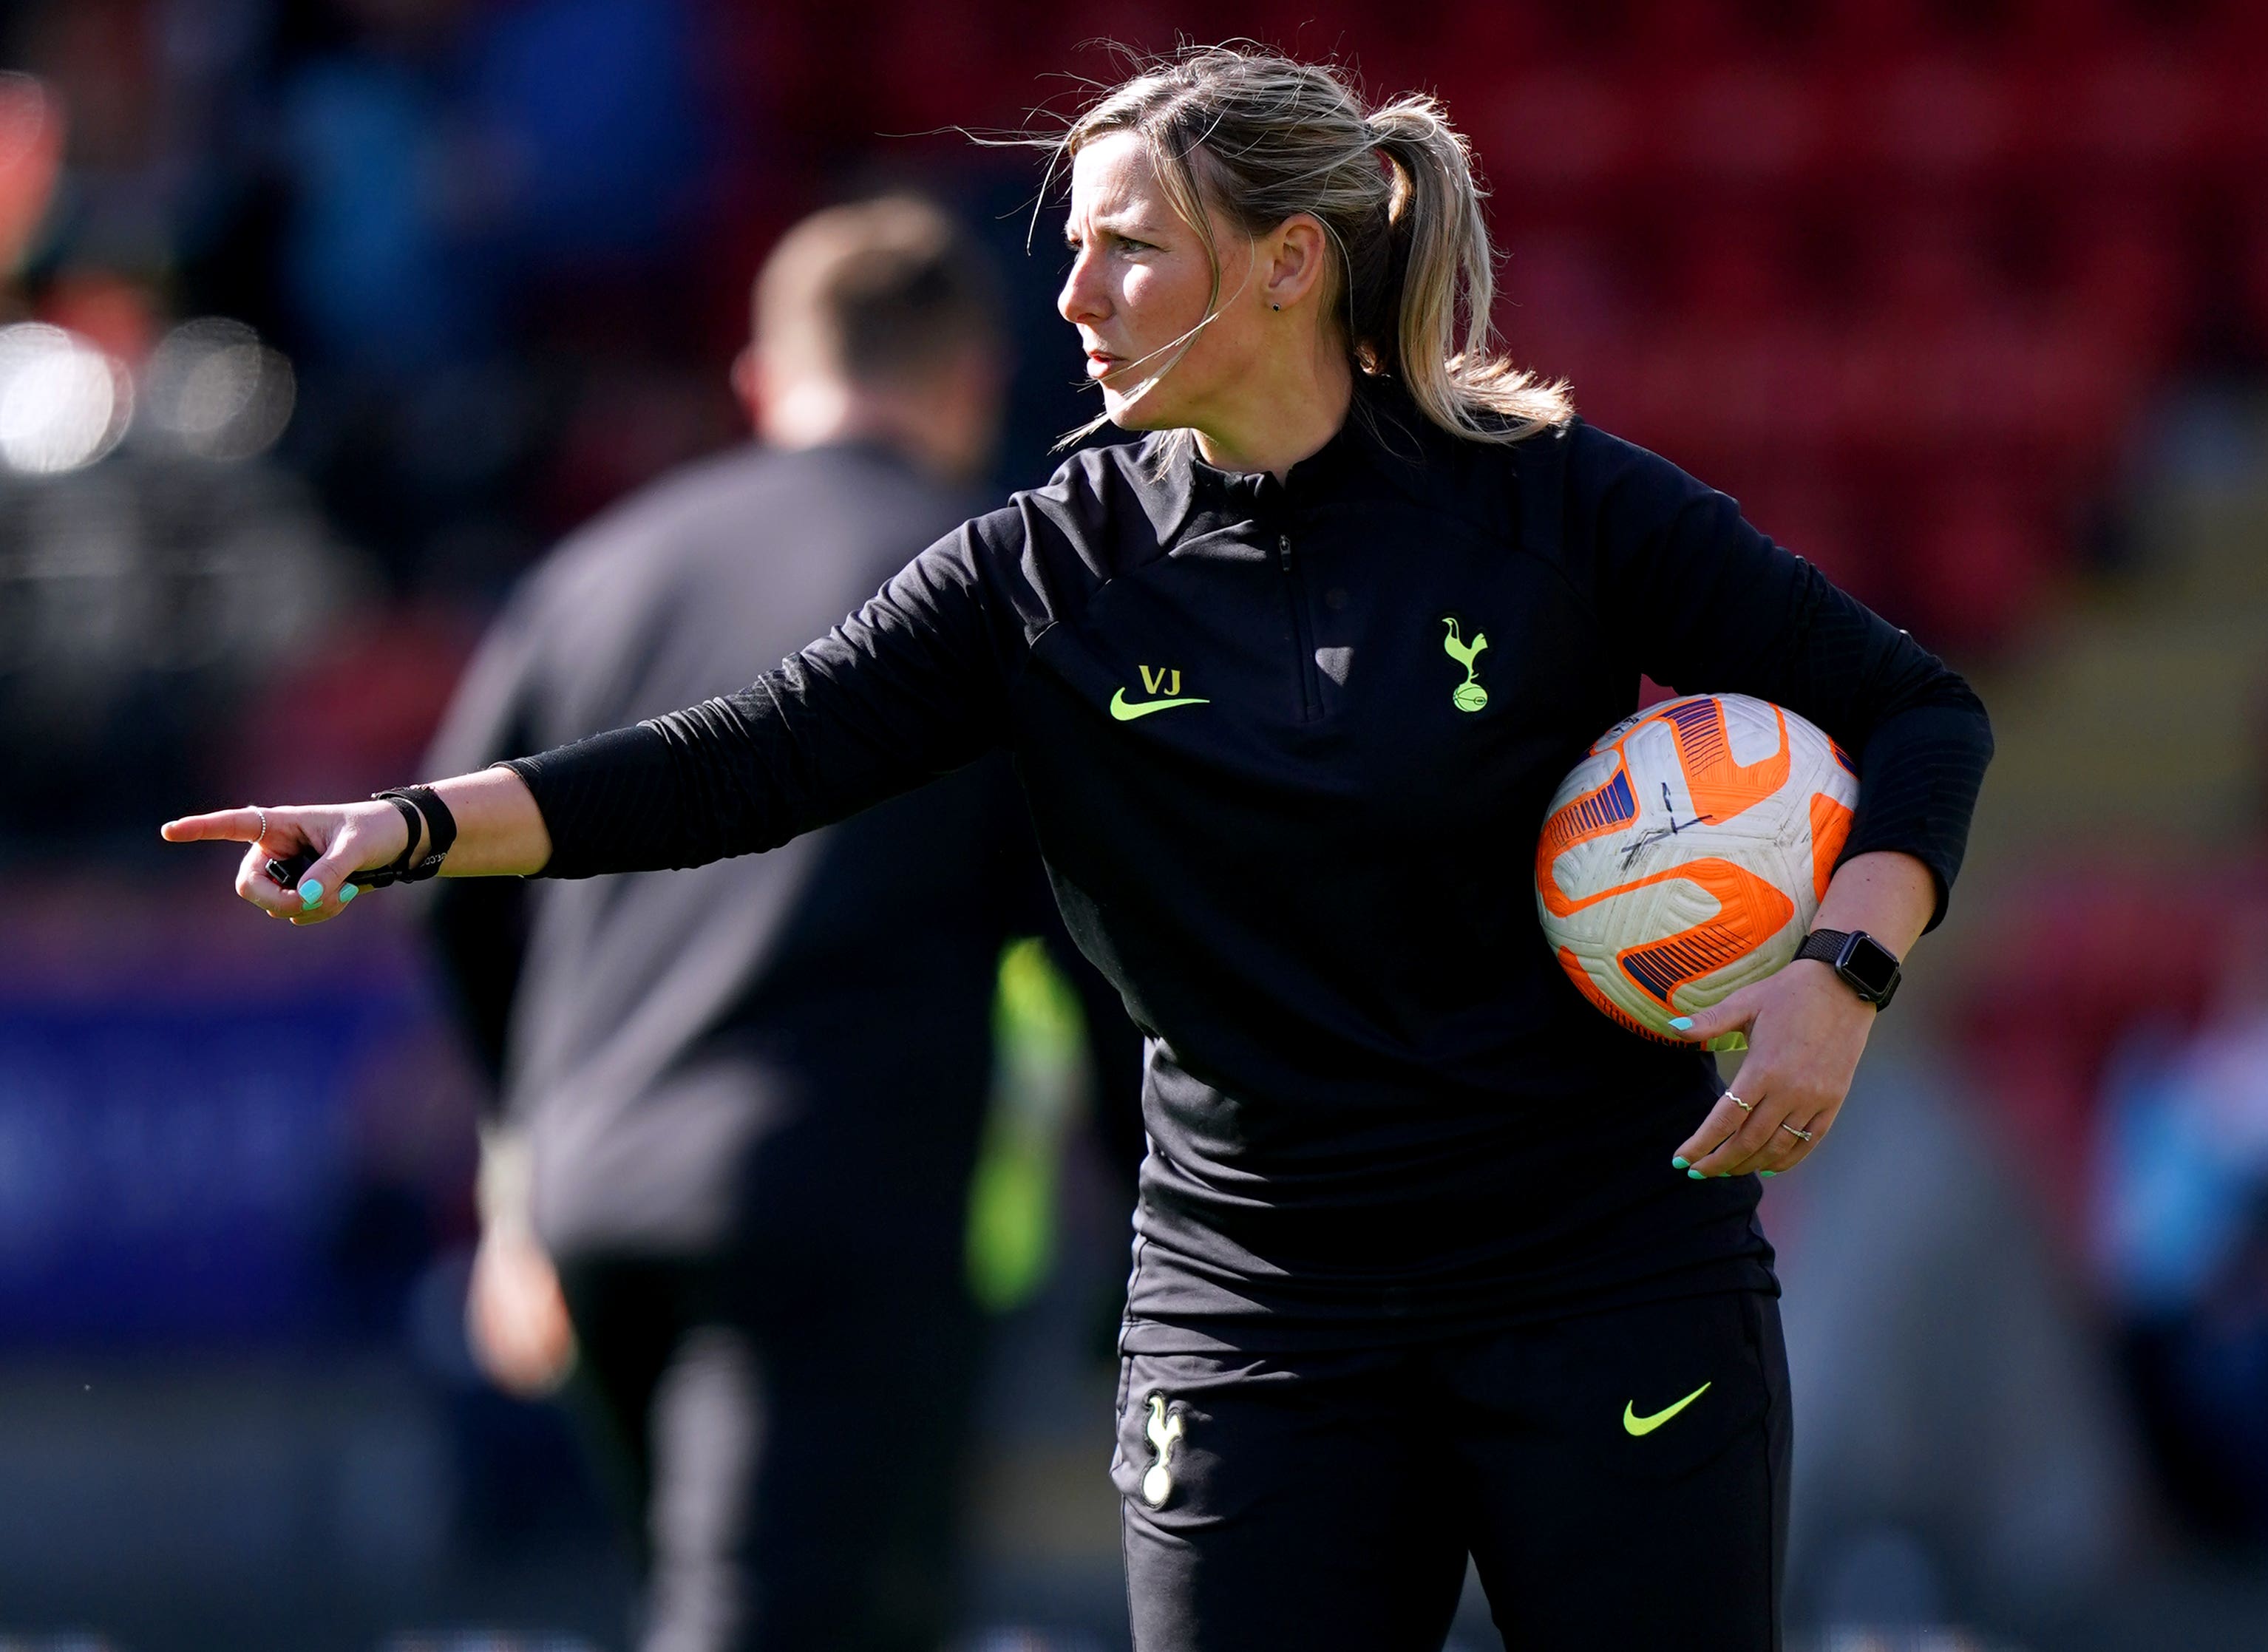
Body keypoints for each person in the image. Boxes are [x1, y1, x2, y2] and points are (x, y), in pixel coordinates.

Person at [166, 47, 1994, 1652]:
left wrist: (1839, 977)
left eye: (1127, 244)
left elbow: (1920, 712)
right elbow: (744, 760)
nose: (1070, 293)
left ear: (1288, 267)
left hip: (1602, 1279)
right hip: (1253, 1315)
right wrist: (405, 827)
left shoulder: (1557, 504)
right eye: (1072, 243)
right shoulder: (1043, 566)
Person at [412, 196, 1067, 1652]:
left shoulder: (588, 579)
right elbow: (1094, 911)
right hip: (833, 1202)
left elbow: (458, 874)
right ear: (973, 381)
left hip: (595, 1202)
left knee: (745, 1595)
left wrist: (518, 1173)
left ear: (763, 384)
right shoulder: (991, 586)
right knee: (794, 1616)